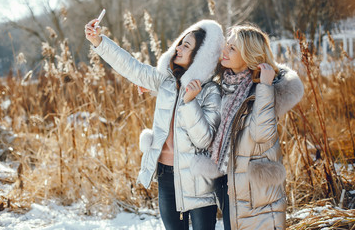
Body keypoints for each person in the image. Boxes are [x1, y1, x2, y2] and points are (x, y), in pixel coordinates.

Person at [85, 19, 224, 230]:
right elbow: (131, 67)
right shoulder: (165, 82)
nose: (178, 48)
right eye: (180, 43)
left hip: (197, 179)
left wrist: (189, 102)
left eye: (186, 46)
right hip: (165, 174)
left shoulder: (210, 91)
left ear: (201, 55)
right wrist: (99, 41)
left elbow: (203, 139)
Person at [191, 24, 304, 229]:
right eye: (227, 45)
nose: (224, 50)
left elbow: (262, 135)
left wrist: (265, 88)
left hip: (251, 187)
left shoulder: (263, 89)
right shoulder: (219, 84)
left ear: (249, 55)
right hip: (224, 178)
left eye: (232, 48)